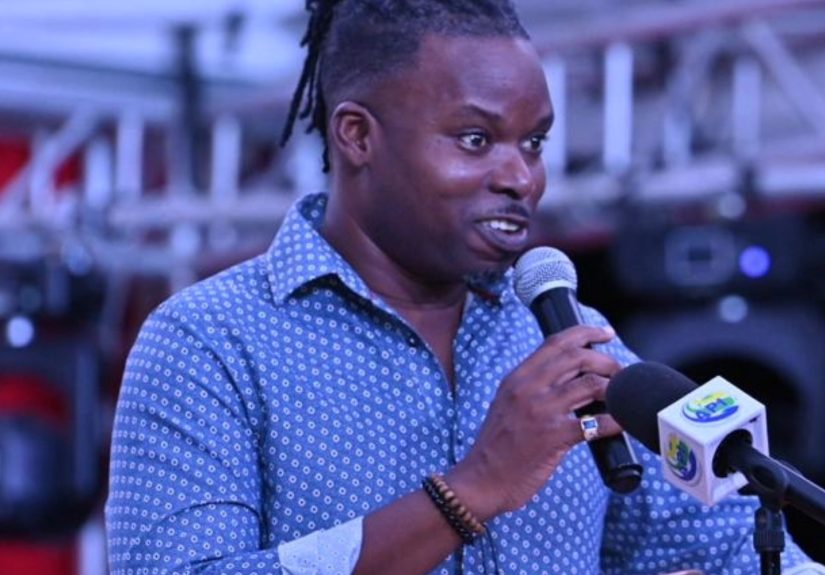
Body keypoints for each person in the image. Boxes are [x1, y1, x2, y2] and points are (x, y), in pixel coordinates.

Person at [105, 1, 824, 574]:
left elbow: (734, 548)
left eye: (534, 142)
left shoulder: (564, 341)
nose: (520, 176)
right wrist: (473, 487)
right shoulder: (209, 340)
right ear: (357, 136)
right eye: (476, 139)